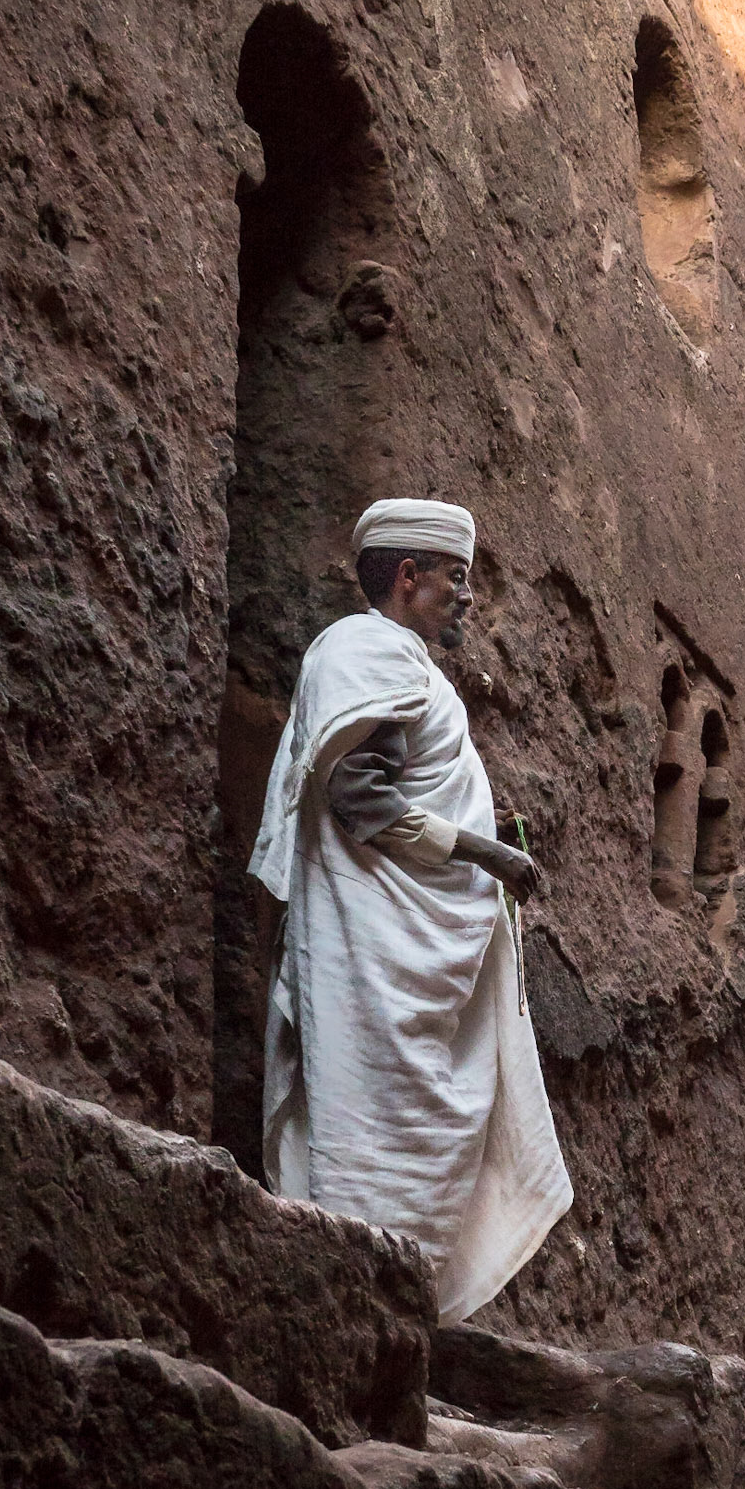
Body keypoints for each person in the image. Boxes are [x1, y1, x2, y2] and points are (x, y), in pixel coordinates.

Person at [249, 497, 572, 1321]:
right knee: (372, 1130)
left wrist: (477, 836)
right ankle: (348, 1324)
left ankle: (391, 1331)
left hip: (408, 949)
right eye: (456, 580)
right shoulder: (364, 651)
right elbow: (362, 801)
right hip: (372, 949)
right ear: (407, 576)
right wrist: (486, 853)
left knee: (420, 1138)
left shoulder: (403, 663)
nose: (467, 598)